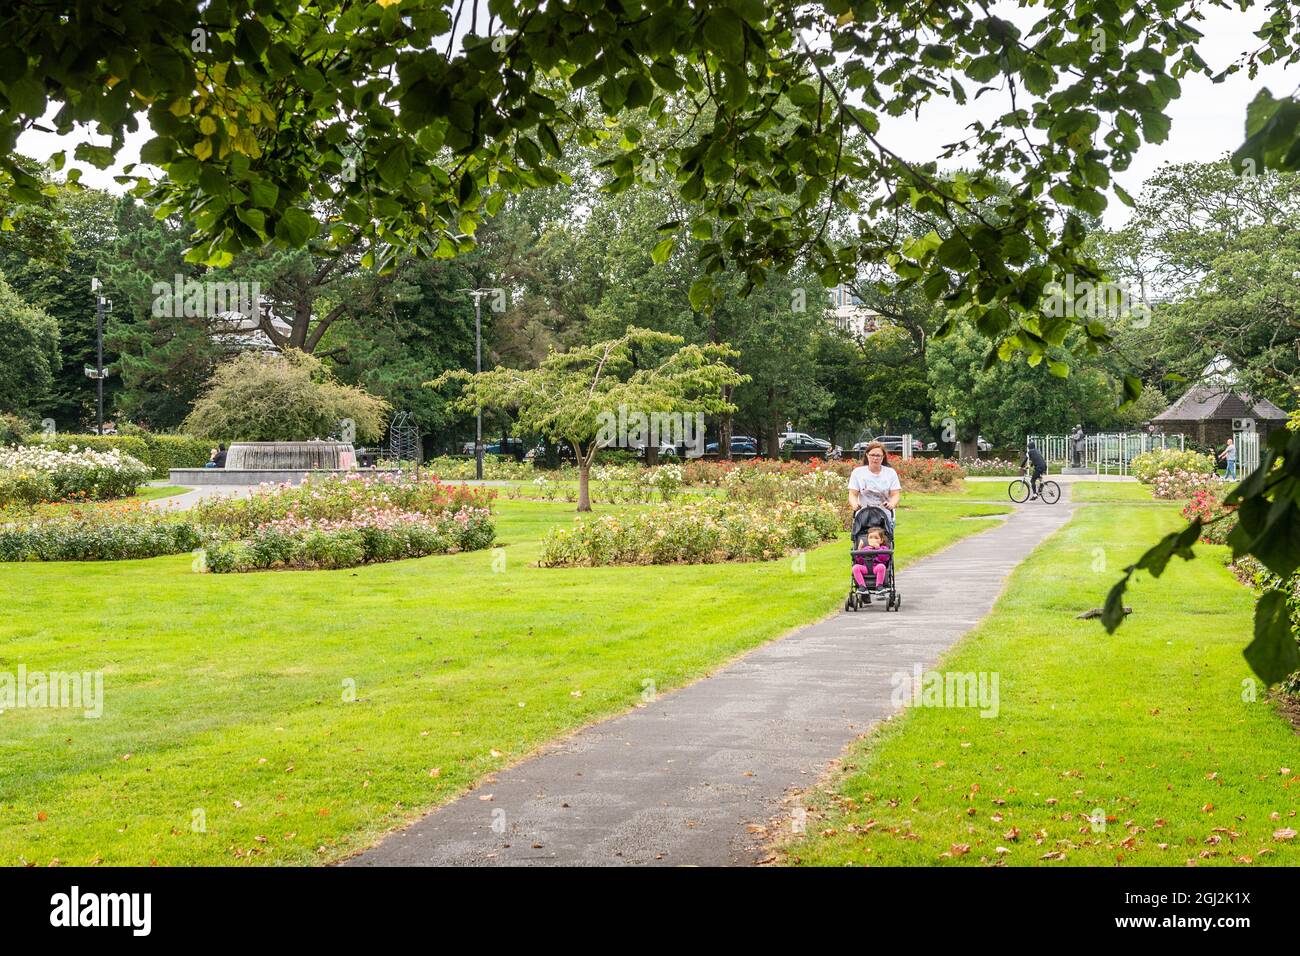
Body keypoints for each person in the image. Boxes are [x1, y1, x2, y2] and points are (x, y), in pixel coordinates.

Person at [848, 440, 901, 530]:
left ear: (883, 457)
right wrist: (854, 504)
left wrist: (891, 504)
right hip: (863, 516)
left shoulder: (890, 473)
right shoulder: (858, 473)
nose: (875, 458)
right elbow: (853, 494)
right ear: (867, 455)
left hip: (884, 516)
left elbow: (895, 494)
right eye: (872, 455)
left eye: (878, 455)